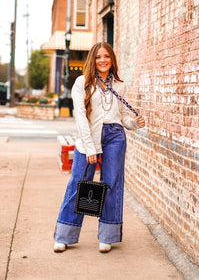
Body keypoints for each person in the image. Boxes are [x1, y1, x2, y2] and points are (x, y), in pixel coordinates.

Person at [54, 42, 145, 253]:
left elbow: (122, 117)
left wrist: (135, 123)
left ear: (112, 59)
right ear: (92, 60)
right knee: (79, 183)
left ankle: (107, 235)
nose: (102, 60)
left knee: (111, 184)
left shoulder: (119, 85)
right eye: (98, 57)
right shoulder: (82, 83)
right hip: (88, 138)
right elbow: (81, 118)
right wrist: (91, 147)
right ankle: (64, 235)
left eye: (106, 56)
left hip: (115, 136)